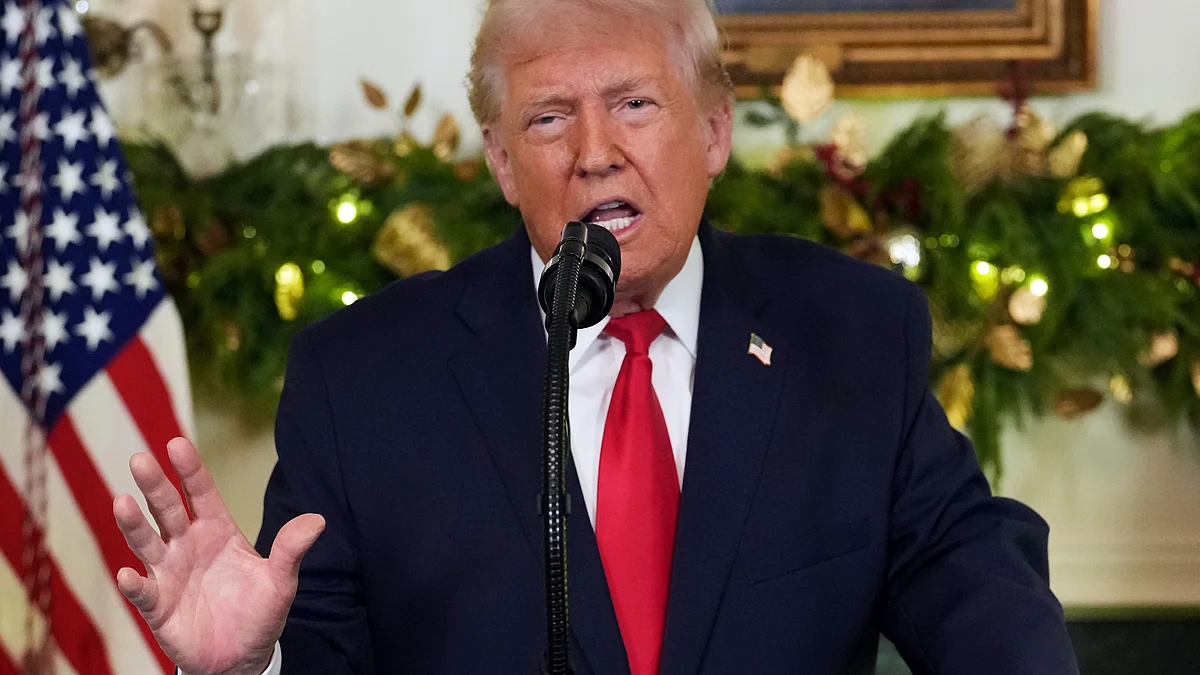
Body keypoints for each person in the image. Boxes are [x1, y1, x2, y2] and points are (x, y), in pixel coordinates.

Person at [112, 0, 1080, 673]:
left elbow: (962, 570)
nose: (593, 152)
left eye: (633, 104)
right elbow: (323, 647)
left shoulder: (852, 329)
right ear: (500, 162)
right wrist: (251, 667)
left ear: (711, 133)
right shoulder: (363, 376)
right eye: (546, 118)